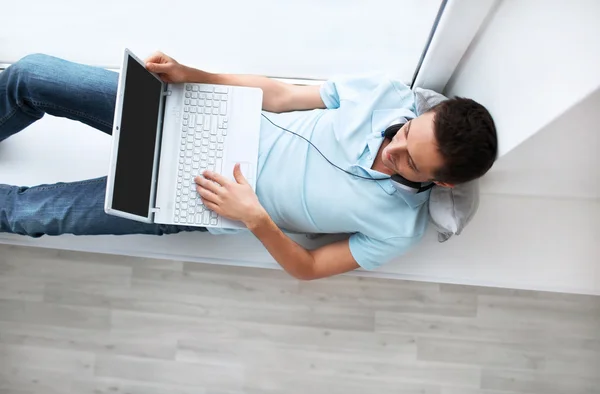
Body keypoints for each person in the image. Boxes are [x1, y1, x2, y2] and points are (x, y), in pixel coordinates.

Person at [0, 52, 497, 280]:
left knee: (31, 216)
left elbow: (309, 267)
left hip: (194, 201)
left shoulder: (399, 228)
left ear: (442, 181)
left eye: (410, 162)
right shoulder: (388, 96)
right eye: (407, 133)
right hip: (191, 114)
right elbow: (281, 95)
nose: (394, 150)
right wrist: (195, 75)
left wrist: (256, 219)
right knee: (30, 74)